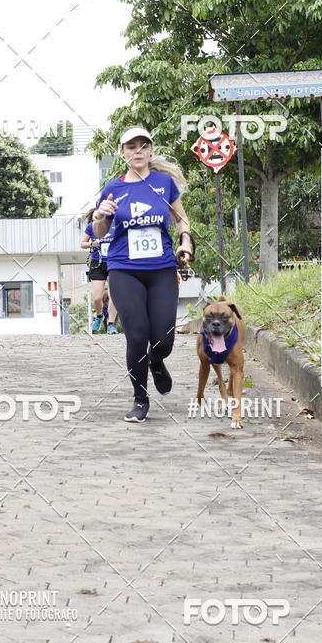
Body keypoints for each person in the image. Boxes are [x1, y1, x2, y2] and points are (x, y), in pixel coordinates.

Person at [92, 125, 194, 423]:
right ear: (122, 153)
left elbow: (180, 218)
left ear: (150, 151)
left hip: (162, 268)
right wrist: (100, 216)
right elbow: (101, 231)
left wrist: (185, 241)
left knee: (163, 339)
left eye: (142, 146)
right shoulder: (114, 188)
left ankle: (156, 360)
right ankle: (140, 398)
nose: (137, 151)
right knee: (136, 334)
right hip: (124, 269)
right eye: (130, 146)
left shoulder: (164, 183)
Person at [80, 209, 118, 334]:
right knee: (97, 297)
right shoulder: (92, 226)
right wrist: (92, 243)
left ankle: (111, 324)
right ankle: (100, 315)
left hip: (115, 261)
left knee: (114, 295)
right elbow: (83, 243)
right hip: (98, 262)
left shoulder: (117, 224)